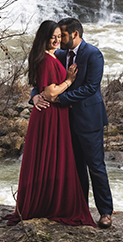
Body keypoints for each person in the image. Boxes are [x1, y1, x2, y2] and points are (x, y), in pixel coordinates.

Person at [6, 20, 95, 227]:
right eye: (52, 37)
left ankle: (47, 201)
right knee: (50, 156)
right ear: (43, 38)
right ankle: (48, 204)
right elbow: (49, 91)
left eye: (58, 36)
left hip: (54, 113)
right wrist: (69, 82)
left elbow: (41, 87)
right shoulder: (47, 60)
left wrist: (35, 95)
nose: (56, 40)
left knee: (51, 157)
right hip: (49, 114)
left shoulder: (53, 56)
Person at [35, 17, 114, 229]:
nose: (59, 39)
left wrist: (59, 99)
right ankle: (81, 210)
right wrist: (35, 96)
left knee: (96, 167)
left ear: (75, 34)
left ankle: (106, 212)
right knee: (75, 168)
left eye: (63, 35)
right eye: (57, 36)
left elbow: (91, 88)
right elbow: (42, 78)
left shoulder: (93, 54)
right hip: (65, 122)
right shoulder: (59, 55)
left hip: (89, 119)